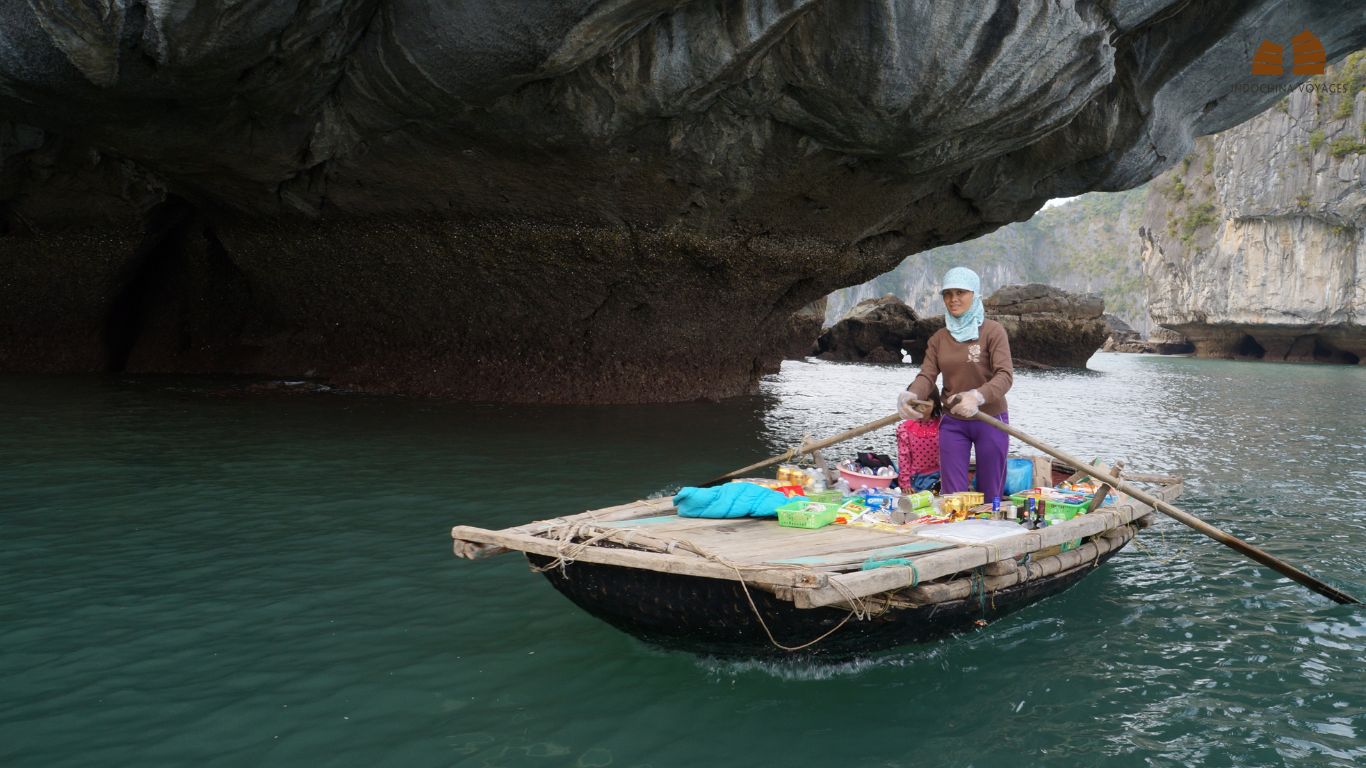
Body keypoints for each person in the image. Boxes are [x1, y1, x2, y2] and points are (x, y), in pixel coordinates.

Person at [895, 267, 1013, 500]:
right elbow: (927, 376)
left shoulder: (993, 332)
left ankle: (989, 532)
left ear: (975, 295)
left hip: (989, 419)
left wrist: (977, 397)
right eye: (947, 294)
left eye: (961, 292)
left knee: (991, 494)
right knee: (953, 497)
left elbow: (1005, 376)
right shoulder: (939, 338)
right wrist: (909, 395)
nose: (953, 299)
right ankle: (957, 534)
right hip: (953, 422)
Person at [896, 383, 941, 492]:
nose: (922, 406)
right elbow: (904, 458)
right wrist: (905, 484)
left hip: (939, 475)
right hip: (916, 477)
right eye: (917, 401)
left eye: (926, 401)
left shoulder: (943, 426)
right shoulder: (905, 429)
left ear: (934, 403)